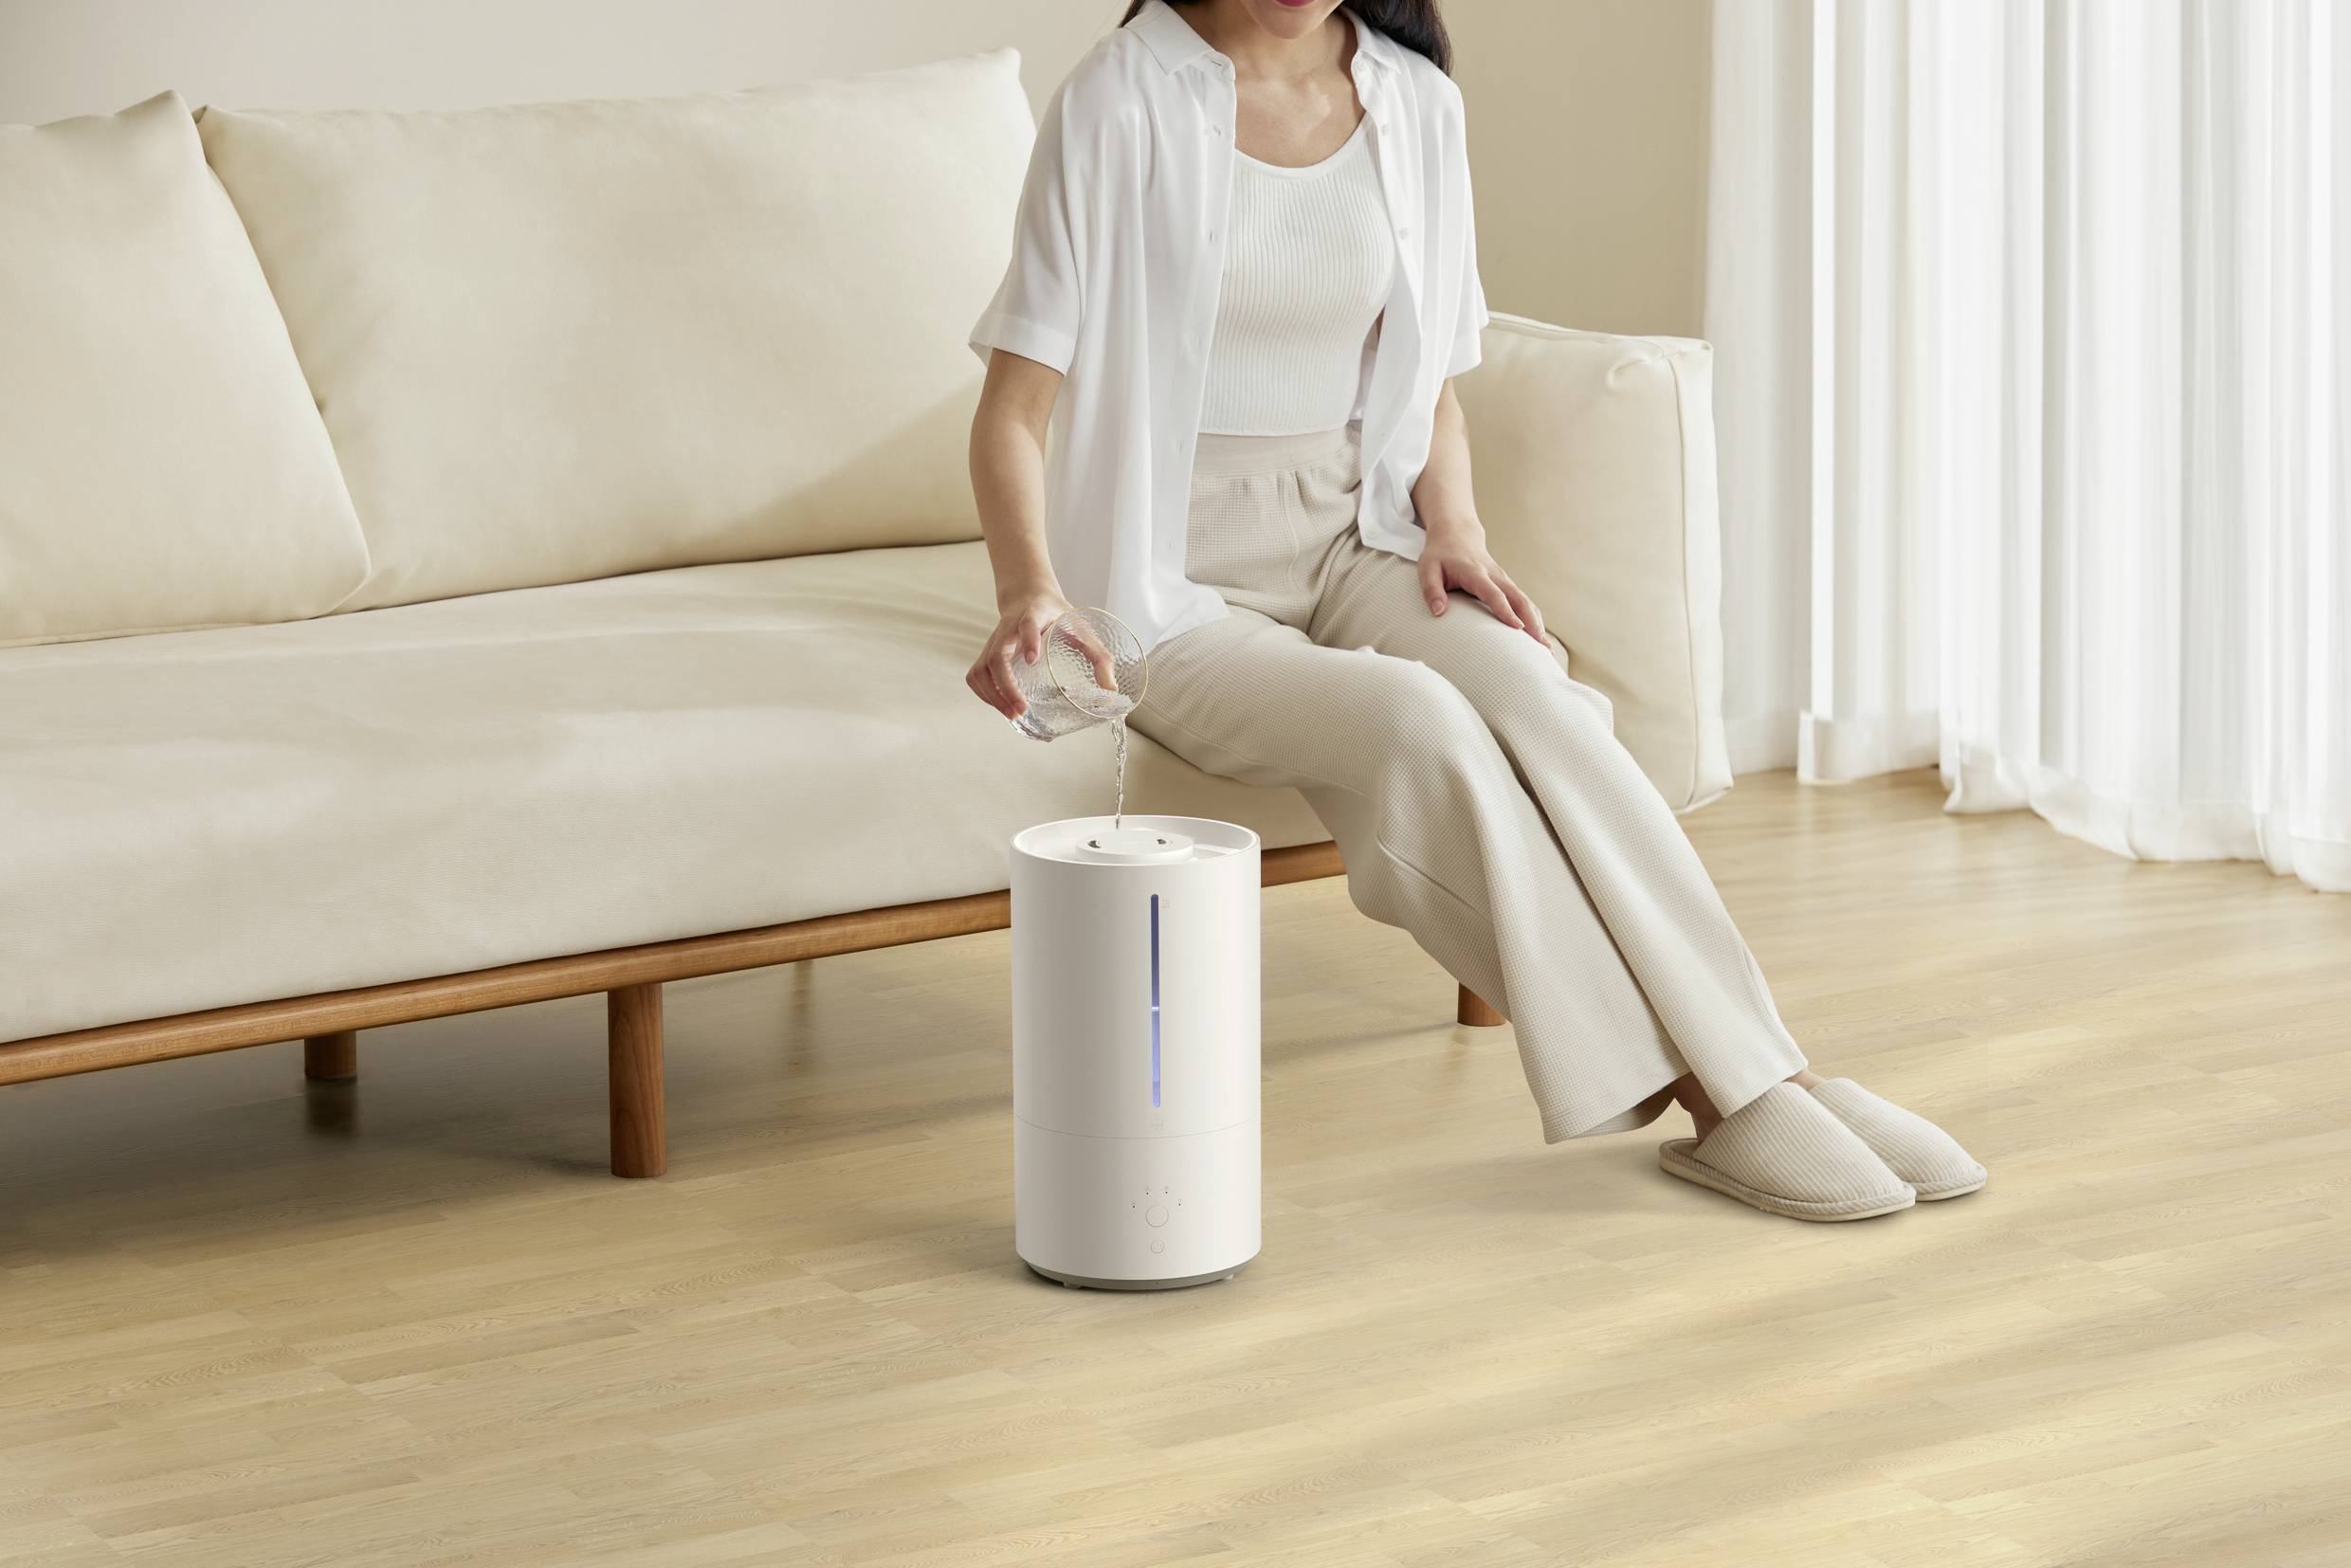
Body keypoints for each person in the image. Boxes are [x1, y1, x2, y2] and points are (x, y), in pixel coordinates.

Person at [963, 0, 1984, 1220]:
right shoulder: (1115, 101)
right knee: (1413, 719)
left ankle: (1781, 1064)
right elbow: (1014, 412)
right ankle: (1726, 1101)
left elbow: (1432, 379)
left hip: (1359, 533)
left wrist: (1456, 530)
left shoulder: (1414, 101)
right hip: (1165, 586)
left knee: (1536, 694)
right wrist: (1030, 589)